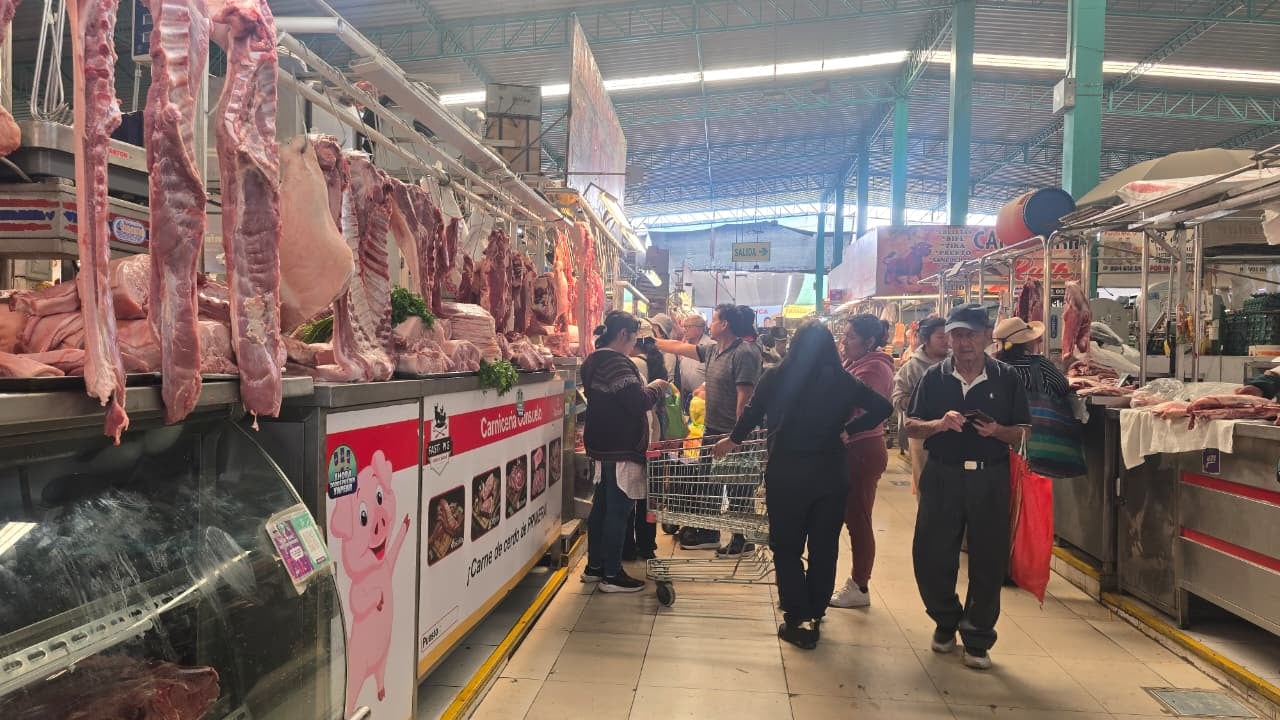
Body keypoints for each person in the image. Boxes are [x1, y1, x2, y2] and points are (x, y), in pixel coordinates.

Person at [712, 321, 892, 649]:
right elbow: (884, 407)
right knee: (824, 546)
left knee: (787, 546)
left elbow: (752, 414)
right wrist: (851, 429)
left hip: (787, 472)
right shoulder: (842, 379)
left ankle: (797, 616)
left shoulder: (776, 376)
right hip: (830, 473)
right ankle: (816, 608)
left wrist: (732, 440)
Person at [905, 304, 1030, 671]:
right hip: (942, 475)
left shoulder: (1006, 378)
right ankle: (945, 619)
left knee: (988, 558)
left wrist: (998, 432)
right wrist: (938, 425)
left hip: (990, 477)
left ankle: (977, 636)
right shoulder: (934, 378)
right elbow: (910, 426)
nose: (963, 343)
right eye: (956, 335)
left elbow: (1024, 431)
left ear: (988, 336)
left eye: (971, 335)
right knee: (930, 553)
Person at [657, 304, 762, 556]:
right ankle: (710, 532)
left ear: (725, 324)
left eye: (713, 320)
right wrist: (653, 342)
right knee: (708, 484)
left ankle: (743, 540)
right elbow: (683, 348)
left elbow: (745, 397)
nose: (709, 324)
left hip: (734, 434)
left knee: (737, 488)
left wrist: (736, 437)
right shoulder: (715, 350)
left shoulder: (744, 353)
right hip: (712, 430)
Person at [580, 311, 670, 593]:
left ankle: (594, 568)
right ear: (623, 335)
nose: (634, 345)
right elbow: (636, 401)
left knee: (602, 508)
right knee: (618, 510)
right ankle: (611, 574)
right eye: (633, 339)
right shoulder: (616, 362)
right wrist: (657, 386)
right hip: (620, 446)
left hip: (603, 445)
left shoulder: (595, 358)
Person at [830, 314, 895, 609]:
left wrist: (848, 430)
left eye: (850, 337)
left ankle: (860, 584)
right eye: (844, 336)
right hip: (852, 450)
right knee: (851, 516)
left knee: (858, 519)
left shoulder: (874, 369)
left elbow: (879, 409)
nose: (844, 342)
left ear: (869, 341)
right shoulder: (855, 364)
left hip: (863, 449)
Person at [993, 317, 1083, 479]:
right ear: (1026, 342)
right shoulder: (1038, 365)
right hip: (1038, 444)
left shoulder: (994, 367)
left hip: (1000, 442)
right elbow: (1062, 387)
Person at [893, 316, 950, 496]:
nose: (946, 340)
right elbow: (897, 397)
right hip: (922, 434)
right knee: (926, 486)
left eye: (948, 335)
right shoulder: (912, 367)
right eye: (941, 337)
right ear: (926, 339)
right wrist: (920, 401)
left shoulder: (957, 362)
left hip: (953, 432)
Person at [674, 314, 715, 414]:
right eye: (684, 327)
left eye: (688, 327)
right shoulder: (684, 346)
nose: (685, 330)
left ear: (700, 329)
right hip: (685, 397)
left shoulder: (711, 346)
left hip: (703, 400)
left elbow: (714, 375)